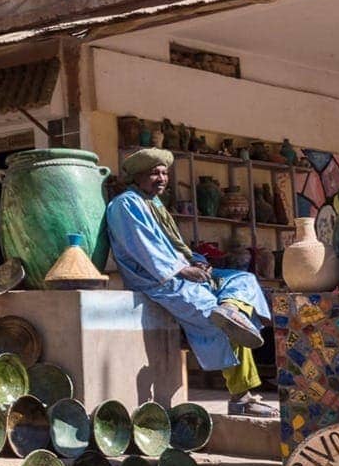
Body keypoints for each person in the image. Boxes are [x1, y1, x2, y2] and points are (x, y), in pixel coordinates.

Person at [104, 148, 278, 418]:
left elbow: (177, 246)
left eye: (164, 173)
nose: (161, 178)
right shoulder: (126, 204)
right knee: (221, 321)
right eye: (154, 173)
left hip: (182, 273)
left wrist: (198, 261)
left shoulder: (155, 204)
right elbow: (144, 249)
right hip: (159, 281)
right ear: (137, 177)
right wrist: (183, 270)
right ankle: (241, 397)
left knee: (243, 280)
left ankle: (230, 308)